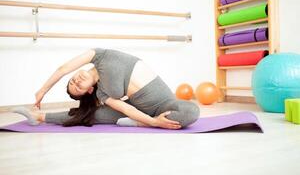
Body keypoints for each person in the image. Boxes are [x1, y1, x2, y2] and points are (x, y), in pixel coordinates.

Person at [12, 48, 199, 129]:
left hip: (164, 103)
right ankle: (38, 117)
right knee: (87, 115)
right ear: (89, 91)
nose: (76, 81)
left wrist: (43, 90)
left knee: (191, 112)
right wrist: (153, 122)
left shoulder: (98, 55)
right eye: (78, 87)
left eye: (73, 80)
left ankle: (136, 123)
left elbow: (62, 69)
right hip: (137, 110)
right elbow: (126, 108)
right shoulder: (102, 92)